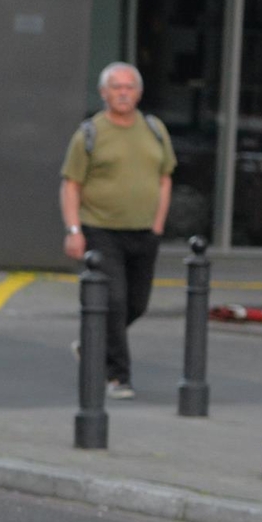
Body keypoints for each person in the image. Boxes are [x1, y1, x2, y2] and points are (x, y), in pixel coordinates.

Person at [61, 62, 175, 399]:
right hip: (101, 229)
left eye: (129, 87)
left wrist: (157, 224)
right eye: (116, 87)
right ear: (103, 93)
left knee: (136, 304)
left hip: (143, 232)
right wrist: (73, 229)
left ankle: (91, 343)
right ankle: (117, 376)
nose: (123, 92)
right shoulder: (89, 135)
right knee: (114, 300)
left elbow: (165, 177)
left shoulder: (155, 129)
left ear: (139, 93)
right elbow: (71, 185)